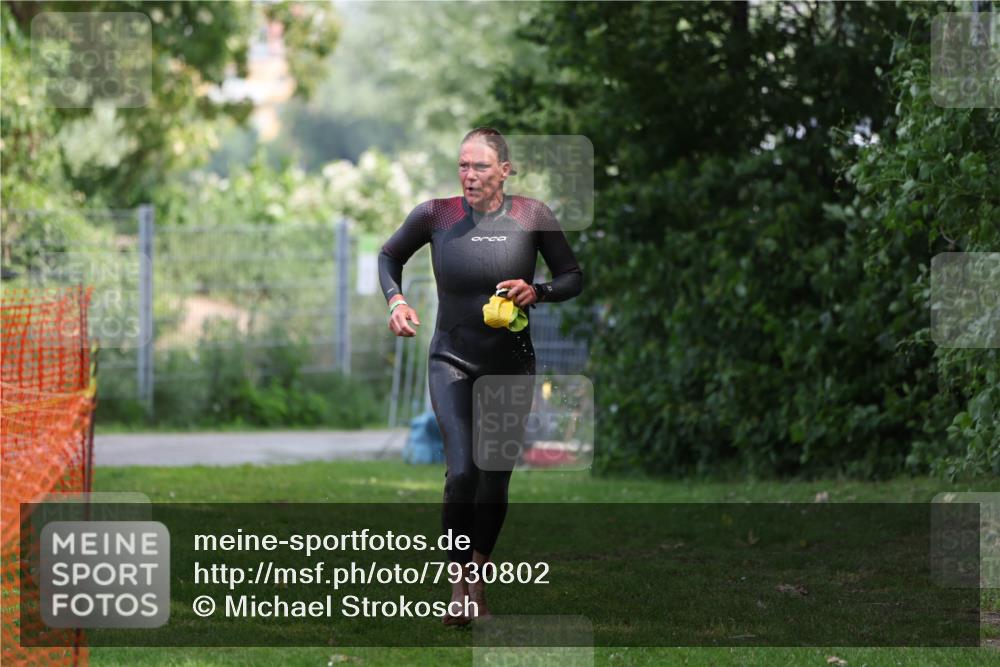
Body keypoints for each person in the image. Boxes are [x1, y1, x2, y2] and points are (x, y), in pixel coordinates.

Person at [378, 127, 583, 624]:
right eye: (463, 166)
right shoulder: (436, 215)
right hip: (451, 358)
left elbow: (572, 277)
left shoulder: (532, 216)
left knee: (493, 478)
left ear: (505, 171)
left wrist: (539, 291)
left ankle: (479, 582)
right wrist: (396, 300)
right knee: (463, 472)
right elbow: (389, 256)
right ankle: (458, 589)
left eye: (481, 167)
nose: (469, 176)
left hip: (510, 362)